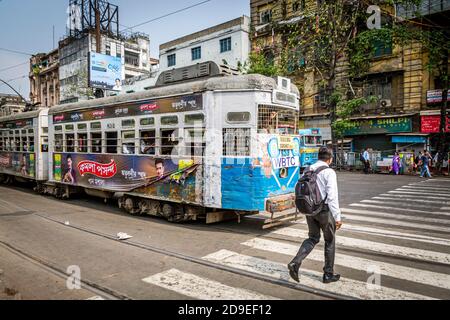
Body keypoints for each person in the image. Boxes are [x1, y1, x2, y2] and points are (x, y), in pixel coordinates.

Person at [288, 147, 342, 284]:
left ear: (318, 156)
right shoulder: (329, 172)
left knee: (313, 238)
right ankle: (328, 274)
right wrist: (337, 217)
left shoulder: (308, 169)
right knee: (329, 240)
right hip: (324, 212)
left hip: (309, 210)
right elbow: (332, 196)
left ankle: (296, 262)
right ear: (330, 159)